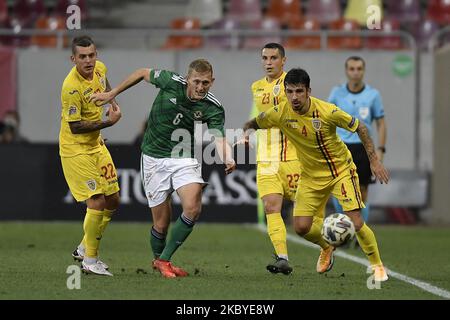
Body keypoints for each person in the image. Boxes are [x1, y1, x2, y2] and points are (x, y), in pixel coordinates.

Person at [90, 59, 236, 278]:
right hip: (152, 157)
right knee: (161, 223)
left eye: (205, 82)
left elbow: (219, 138)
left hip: (182, 157)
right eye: (196, 81)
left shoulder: (212, 106)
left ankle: (164, 260)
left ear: (212, 82)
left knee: (193, 206)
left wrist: (228, 157)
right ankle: (160, 260)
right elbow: (141, 72)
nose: (200, 87)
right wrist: (112, 93)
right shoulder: (170, 81)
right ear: (188, 79)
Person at [241, 68, 389, 282]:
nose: (294, 97)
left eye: (299, 91)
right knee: (301, 227)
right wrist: (246, 133)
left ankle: (377, 266)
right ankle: (327, 246)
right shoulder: (280, 112)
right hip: (310, 176)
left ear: (308, 91)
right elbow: (255, 122)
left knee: (355, 221)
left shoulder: (328, 111)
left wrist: (374, 160)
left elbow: (361, 128)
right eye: (289, 91)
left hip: (340, 171)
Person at [59, 35, 122, 276]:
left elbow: (105, 85)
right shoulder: (71, 87)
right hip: (75, 150)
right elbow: (75, 126)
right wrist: (109, 122)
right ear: (73, 58)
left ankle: (85, 246)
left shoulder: (100, 68)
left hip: (96, 144)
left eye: (92, 55)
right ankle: (90, 260)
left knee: (114, 199)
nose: (89, 60)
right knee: (96, 200)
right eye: (83, 57)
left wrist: (112, 101)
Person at [249, 43, 302, 275]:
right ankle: (282, 257)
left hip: (292, 157)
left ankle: (326, 246)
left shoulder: (292, 86)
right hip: (267, 158)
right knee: (272, 207)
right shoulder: (256, 87)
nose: (268, 62)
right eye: (264, 58)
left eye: (273, 58)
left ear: (283, 60)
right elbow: (261, 118)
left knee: (304, 219)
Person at [328, 56, 386, 223]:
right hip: (340, 147)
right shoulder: (336, 93)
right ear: (346, 71)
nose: (355, 73)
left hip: (363, 148)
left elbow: (381, 123)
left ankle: (360, 232)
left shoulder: (373, 95)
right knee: (339, 189)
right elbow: (327, 119)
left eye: (359, 69)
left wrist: (380, 150)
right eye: (352, 69)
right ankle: (346, 227)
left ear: (363, 71)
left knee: (362, 192)